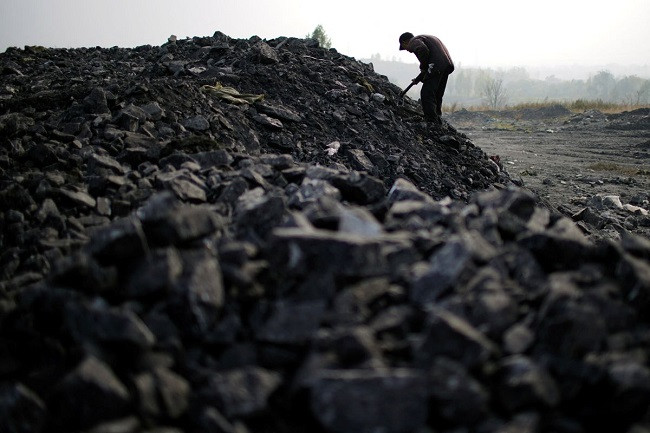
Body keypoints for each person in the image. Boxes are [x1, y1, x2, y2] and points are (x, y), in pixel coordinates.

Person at [399, 32, 454, 123]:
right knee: (437, 93)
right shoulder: (426, 38)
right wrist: (419, 78)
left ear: (405, 42)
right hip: (446, 66)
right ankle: (437, 117)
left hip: (436, 66)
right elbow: (429, 62)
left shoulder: (413, 41)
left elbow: (422, 49)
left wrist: (423, 67)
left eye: (404, 48)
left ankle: (431, 120)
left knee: (426, 93)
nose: (408, 51)